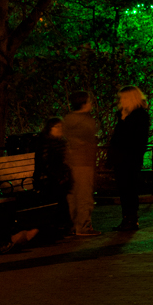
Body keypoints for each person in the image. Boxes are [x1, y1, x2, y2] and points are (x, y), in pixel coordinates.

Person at [108, 86, 150, 232]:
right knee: (124, 189)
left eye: (124, 98)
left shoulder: (140, 115)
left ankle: (131, 219)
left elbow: (138, 139)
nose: (121, 101)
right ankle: (127, 218)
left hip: (130, 158)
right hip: (121, 158)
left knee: (129, 189)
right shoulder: (123, 114)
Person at [62, 92, 99, 237]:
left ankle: (72, 224)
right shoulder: (86, 121)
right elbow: (90, 137)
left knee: (72, 195)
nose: (91, 104)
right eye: (89, 101)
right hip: (84, 162)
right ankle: (83, 226)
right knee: (84, 195)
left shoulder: (67, 120)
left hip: (71, 162)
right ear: (83, 103)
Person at [33, 117, 72, 239]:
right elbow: (45, 164)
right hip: (48, 178)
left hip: (59, 177)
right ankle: (61, 225)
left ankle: (65, 225)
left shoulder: (61, 141)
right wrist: (58, 177)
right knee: (59, 194)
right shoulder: (45, 142)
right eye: (57, 127)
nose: (60, 129)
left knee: (66, 193)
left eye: (61, 126)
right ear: (50, 129)